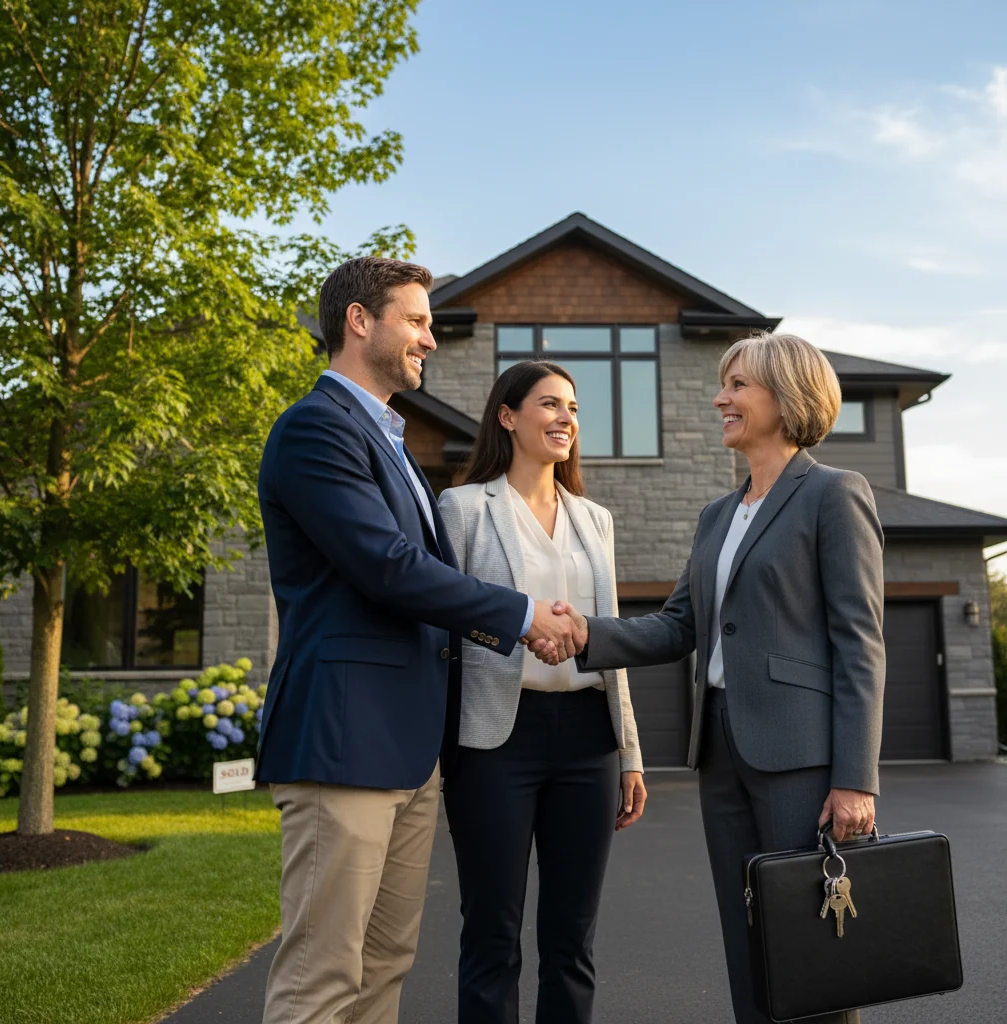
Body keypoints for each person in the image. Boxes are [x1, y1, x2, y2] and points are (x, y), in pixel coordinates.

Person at [256, 258, 584, 1024]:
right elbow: (388, 568)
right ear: (358, 322)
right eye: (415, 320)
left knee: (382, 969)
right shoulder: (315, 429)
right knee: (321, 977)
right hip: (343, 741)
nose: (429, 339)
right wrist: (523, 615)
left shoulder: (397, 446)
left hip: (406, 750)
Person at [534, 332, 885, 1024]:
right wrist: (586, 634)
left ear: (787, 398)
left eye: (738, 386)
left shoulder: (834, 495)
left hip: (803, 758)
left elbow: (861, 643)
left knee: (813, 941)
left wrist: (857, 778)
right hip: (720, 751)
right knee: (747, 931)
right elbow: (678, 624)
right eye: (723, 384)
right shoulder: (717, 515)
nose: (721, 397)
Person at [437, 359, 646, 1024]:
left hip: (589, 737)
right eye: (550, 405)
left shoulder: (596, 519)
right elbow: (446, 614)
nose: (566, 420)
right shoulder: (464, 508)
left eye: (573, 409)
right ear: (508, 415)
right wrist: (522, 631)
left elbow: (607, 637)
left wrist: (631, 753)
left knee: (571, 940)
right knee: (493, 935)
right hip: (498, 737)